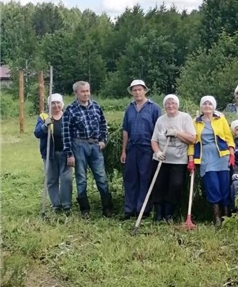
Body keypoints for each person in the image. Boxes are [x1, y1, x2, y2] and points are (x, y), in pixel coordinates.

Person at [62, 81, 112, 219]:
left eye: (88, 91)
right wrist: (69, 154)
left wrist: (103, 140)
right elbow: (66, 134)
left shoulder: (96, 106)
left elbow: (103, 124)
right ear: (76, 93)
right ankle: (85, 209)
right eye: (83, 91)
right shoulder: (70, 110)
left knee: (101, 177)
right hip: (79, 145)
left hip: (95, 146)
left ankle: (107, 207)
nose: (86, 94)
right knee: (81, 178)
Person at [188, 96, 235, 227]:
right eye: (205, 104)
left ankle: (226, 215)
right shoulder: (195, 122)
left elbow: (228, 137)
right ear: (201, 107)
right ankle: (216, 217)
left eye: (210, 104)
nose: (207, 106)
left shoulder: (221, 120)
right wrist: (191, 159)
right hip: (205, 158)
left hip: (222, 156)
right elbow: (191, 142)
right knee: (212, 185)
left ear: (214, 106)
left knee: (224, 185)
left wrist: (231, 153)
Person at [150, 94, 196, 222]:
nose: (171, 106)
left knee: (176, 185)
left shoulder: (185, 118)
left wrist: (177, 133)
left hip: (178, 160)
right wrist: (158, 152)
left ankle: (169, 213)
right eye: (168, 103)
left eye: (173, 103)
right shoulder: (160, 120)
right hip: (161, 160)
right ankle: (159, 213)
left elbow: (192, 139)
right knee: (159, 185)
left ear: (177, 105)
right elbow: (153, 140)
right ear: (164, 106)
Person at [120, 80, 161, 220]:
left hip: (147, 149)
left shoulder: (154, 108)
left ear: (145, 91)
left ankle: (142, 209)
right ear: (131, 92)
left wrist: (158, 150)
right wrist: (123, 151)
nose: (137, 92)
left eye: (139, 89)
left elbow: (158, 129)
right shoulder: (129, 109)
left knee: (145, 178)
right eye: (134, 90)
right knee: (130, 178)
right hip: (132, 148)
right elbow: (125, 130)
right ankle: (129, 208)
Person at [34, 94, 72, 213]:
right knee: (52, 179)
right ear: (49, 105)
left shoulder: (67, 116)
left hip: (66, 153)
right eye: (53, 103)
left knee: (67, 179)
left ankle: (66, 204)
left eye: (58, 103)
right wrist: (45, 125)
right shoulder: (44, 116)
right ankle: (56, 205)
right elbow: (37, 133)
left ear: (62, 104)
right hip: (49, 154)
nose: (56, 105)